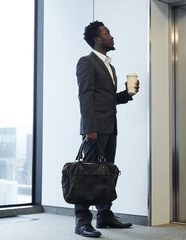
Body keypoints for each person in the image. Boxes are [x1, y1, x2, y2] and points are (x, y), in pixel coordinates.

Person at [75, 21, 140, 238]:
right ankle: (82, 222)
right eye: (107, 33)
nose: (111, 36)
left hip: (110, 128)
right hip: (95, 129)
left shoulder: (110, 67)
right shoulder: (86, 62)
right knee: (87, 176)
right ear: (97, 39)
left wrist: (126, 95)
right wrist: (89, 128)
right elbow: (85, 97)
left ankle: (104, 216)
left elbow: (108, 100)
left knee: (106, 175)